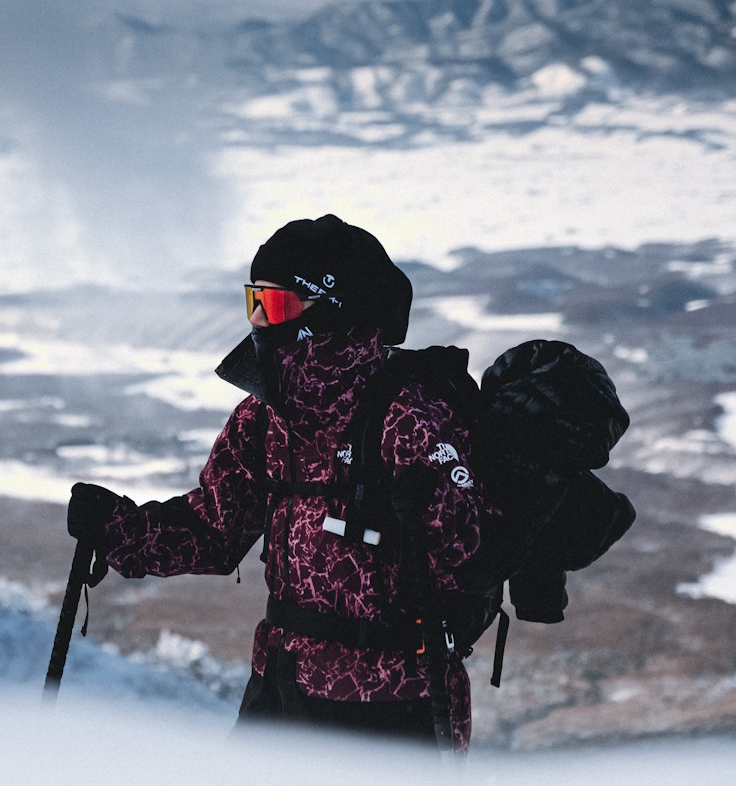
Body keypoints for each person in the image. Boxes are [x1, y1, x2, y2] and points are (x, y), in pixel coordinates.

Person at [66, 214, 498, 750]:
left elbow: (476, 563)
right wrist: (118, 528)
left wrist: (433, 511)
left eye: (274, 305)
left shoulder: (407, 419)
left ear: (332, 312)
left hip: (392, 707)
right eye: (255, 302)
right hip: (280, 689)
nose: (260, 323)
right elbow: (212, 530)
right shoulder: (266, 419)